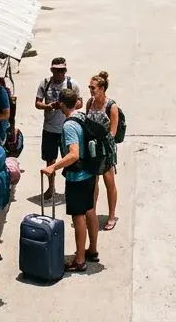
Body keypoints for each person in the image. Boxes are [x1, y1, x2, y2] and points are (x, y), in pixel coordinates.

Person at [42, 86, 99, 272]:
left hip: (77, 177)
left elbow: (73, 154)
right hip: (90, 173)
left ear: (60, 104)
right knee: (90, 210)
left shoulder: (68, 125)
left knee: (78, 216)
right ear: (76, 102)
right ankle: (92, 250)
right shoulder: (82, 116)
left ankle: (80, 259)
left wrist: (54, 166)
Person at [35, 58, 77, 201]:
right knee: (50, 160)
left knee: (69, 160)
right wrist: (49, 106)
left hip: (66, 129)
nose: (59, 73)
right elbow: (37, 103)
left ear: (65, 71)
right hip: (49, 129)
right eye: (56, 70)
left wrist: (66, 105)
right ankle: (51, 187)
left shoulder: (72, 84)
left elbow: (80, 102)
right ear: (51, 70)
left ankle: (69, 187)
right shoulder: (45, 83)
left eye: (62, 70)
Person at [87, 71, 122, 231]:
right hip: (92, 150)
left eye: (93, 87)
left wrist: (99, 139)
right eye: (90, 87)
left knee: (109, 183)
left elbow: (113, 133)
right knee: (93, 184)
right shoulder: (90, 103)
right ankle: (92, 213)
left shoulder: (111, 106)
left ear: (102, 88)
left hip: (106, 150)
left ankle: (112, 215)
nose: (91, 90)